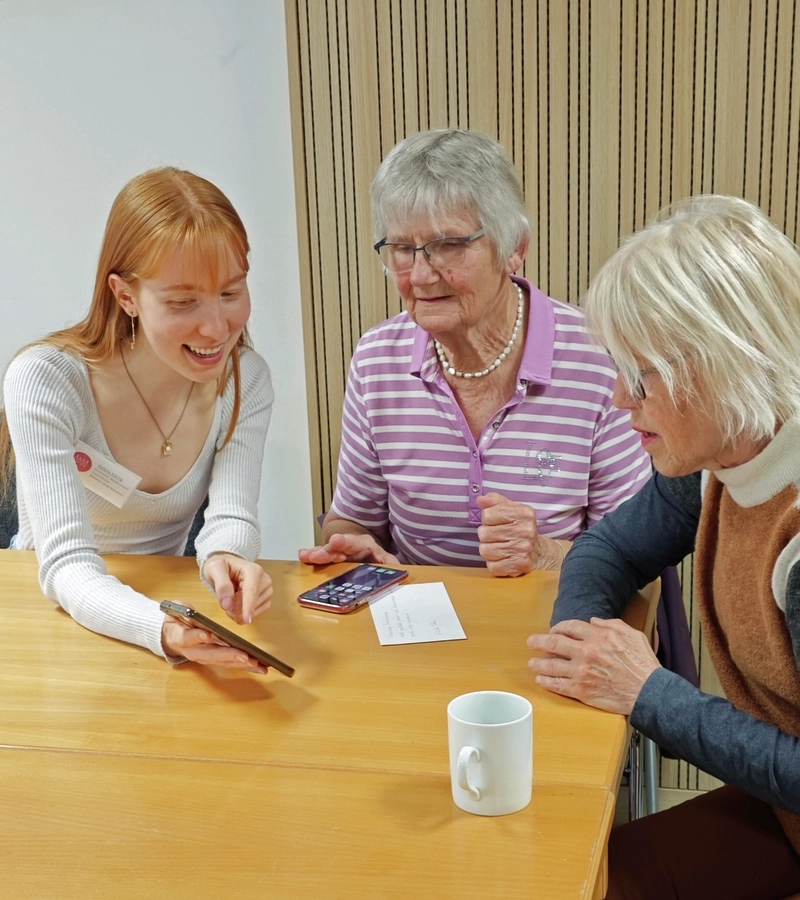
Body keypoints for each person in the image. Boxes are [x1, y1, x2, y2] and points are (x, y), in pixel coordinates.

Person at [527, 194, 800, 898]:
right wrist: (579, 644)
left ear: (729, 360)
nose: (620, 399)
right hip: (781, 814)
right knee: (581, 878)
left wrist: (648, 694)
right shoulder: (722, 459)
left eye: (639, 374)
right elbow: (605, 551)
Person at [299, 129, 651, 575]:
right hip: (414, 627)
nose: (422, 275)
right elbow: (352, 520)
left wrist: (544, 553)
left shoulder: (598, 360)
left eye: (448, 246)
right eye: (403, 250)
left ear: (514, 249)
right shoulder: (376, 361)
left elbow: (634, 553)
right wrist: (352, 547)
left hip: (555, 623)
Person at [2, 168, 274, 673]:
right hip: (51, 616)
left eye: (231, 293)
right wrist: (161, 629)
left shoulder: (245, 379)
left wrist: (227, 558)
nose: (217, 328)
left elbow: (231, 515)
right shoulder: (45, 380)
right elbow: (65, 566)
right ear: (125, 295)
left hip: (161, 609)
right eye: (182, 302)